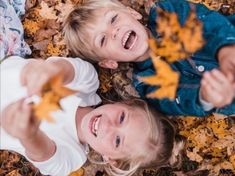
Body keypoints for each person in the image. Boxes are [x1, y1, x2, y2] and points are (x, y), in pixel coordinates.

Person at [0, 56, 184, 176]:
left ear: (112, 160)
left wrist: (29, 134)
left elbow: (44, 154)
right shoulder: (86, 84)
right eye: (121, 118)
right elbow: (65, 70)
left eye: (117, 141)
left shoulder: (73, 157)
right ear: (125, 103)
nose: (108, 126)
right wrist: (49, 74)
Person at [63, 0, 235, 116]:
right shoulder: (146, 84)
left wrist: (226, 51)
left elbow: (206, 23)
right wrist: (206, 97)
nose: (113, 31)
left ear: (132, 13)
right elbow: (179, 101)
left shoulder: (165, 12)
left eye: (113, 19)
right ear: (109, 62)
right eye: (103, 39)